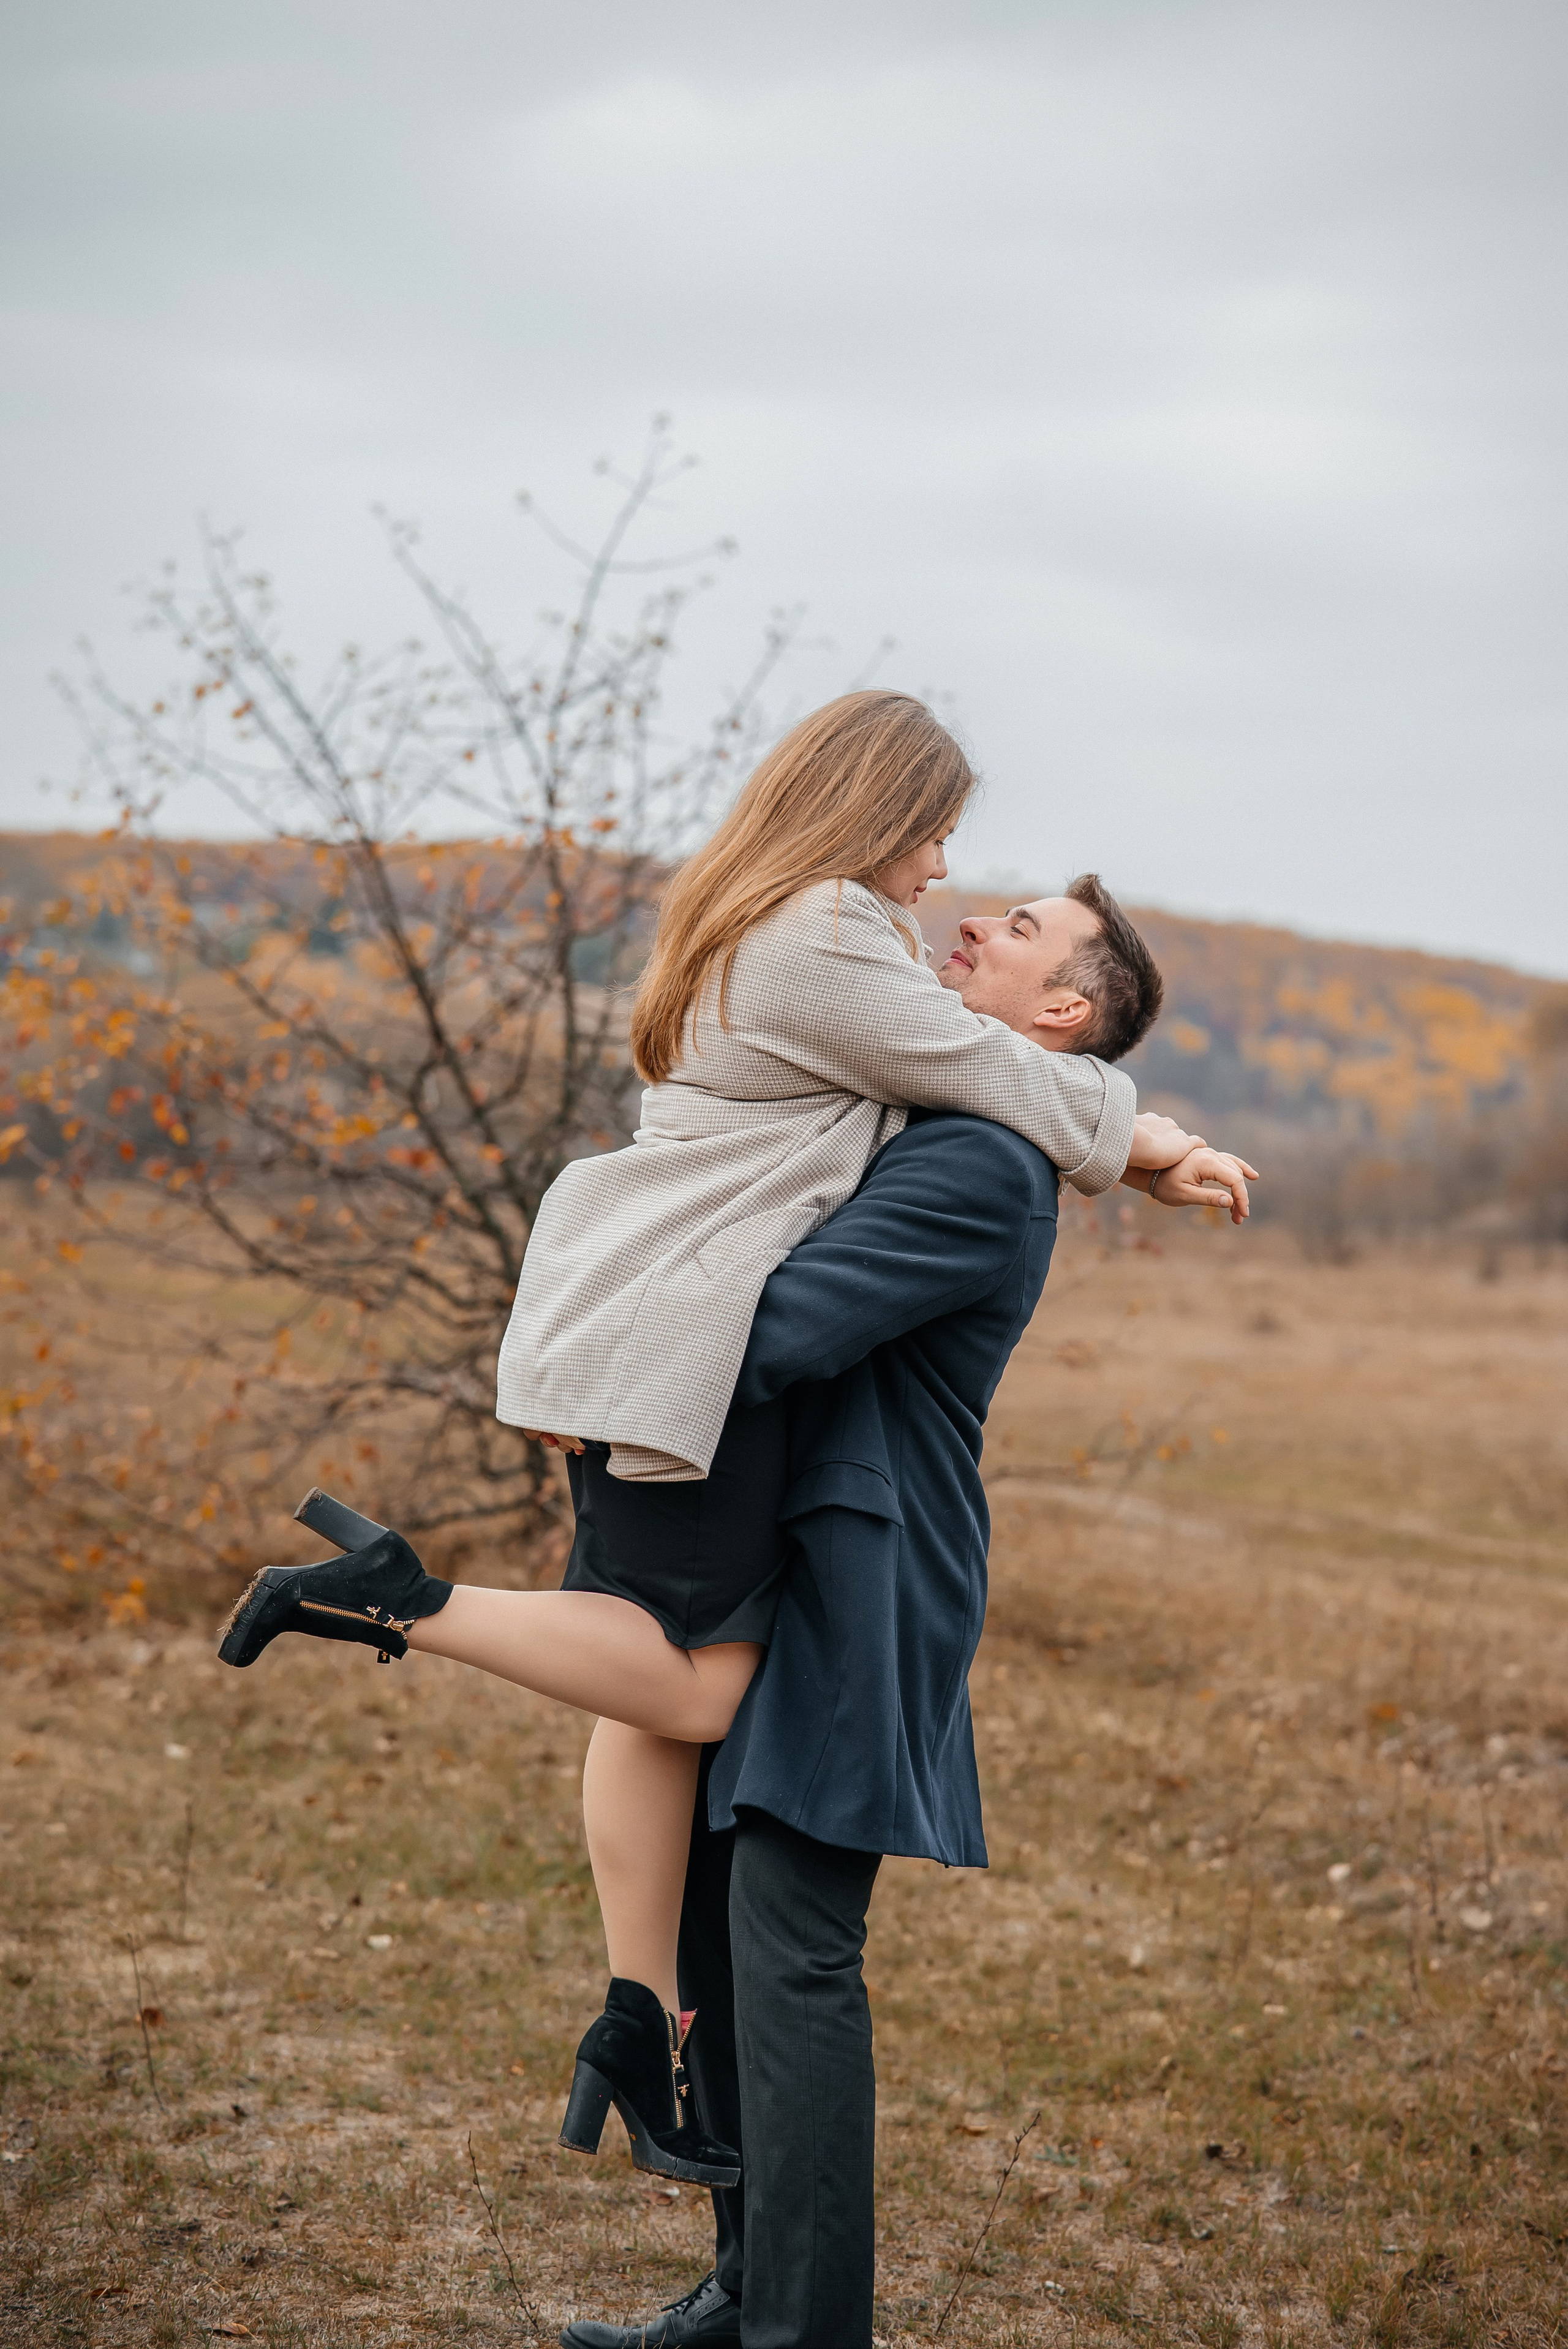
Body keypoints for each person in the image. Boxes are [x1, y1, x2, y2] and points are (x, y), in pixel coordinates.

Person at [217, 692, 1251, 2192]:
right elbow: (1003, 1075)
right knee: (693, 1685)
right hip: (681, 1339)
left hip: (636, 1322)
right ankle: (396, 1599)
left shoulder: (757, 915)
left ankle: (640, 2013)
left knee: (640, 1684)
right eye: (936, 830)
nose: (943, 869)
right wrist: (1150, 1149)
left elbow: (986, 1070)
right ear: (875, 810)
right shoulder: (826, 932)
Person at [557, 887, 1255, 2349]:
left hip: (863, 1578)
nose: (966, 927)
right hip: (788, 1555)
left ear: (1062, 1010)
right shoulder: (944, 1119)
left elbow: (785, 1328)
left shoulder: (981, 1169)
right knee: (719, 1943)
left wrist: (642, 1292)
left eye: (1011, 928)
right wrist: (1142, 1142)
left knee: (793, 1952)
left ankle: (802, 2331)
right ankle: (743, 2288)